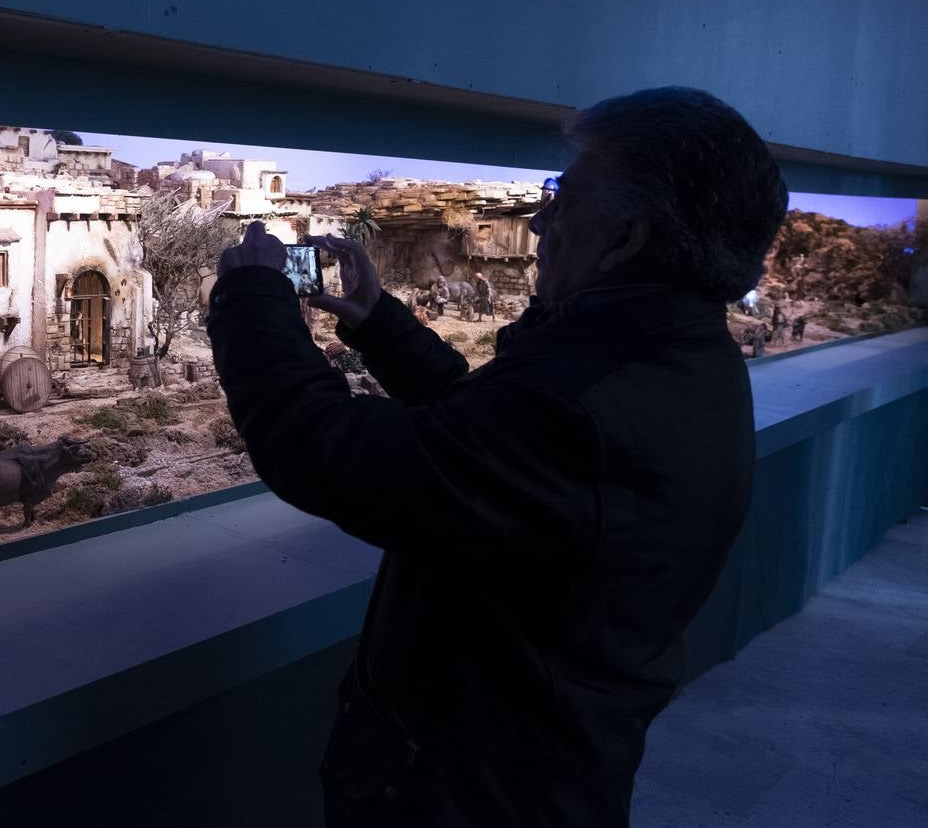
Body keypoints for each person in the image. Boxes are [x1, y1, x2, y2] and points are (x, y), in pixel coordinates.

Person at [208, 87, 785, 826]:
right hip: (542, 763)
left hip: (473, 790)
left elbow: (325, 454)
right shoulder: (671, 359)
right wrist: (381, 327)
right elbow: (488, 447)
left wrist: (253, 297)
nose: (541, 221)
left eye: (564, 199)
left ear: (625, 238)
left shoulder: (586, 403)